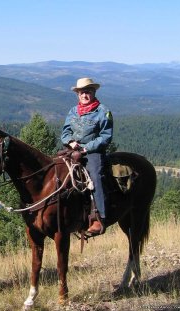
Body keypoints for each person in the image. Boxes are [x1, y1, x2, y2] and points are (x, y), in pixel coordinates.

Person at [61, 78, 113, 235]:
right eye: (82, 92)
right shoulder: (73, 111)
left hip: (92, 152)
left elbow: (105, 137)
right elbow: (65, 132)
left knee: (95, 176)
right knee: (55, 172)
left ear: (94, 92)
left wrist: (85, 149)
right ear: (77, 94)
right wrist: (69, 141)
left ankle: (99, 218)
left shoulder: (103, 111)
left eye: (88, 91)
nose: (85, 94)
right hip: (72, 150)